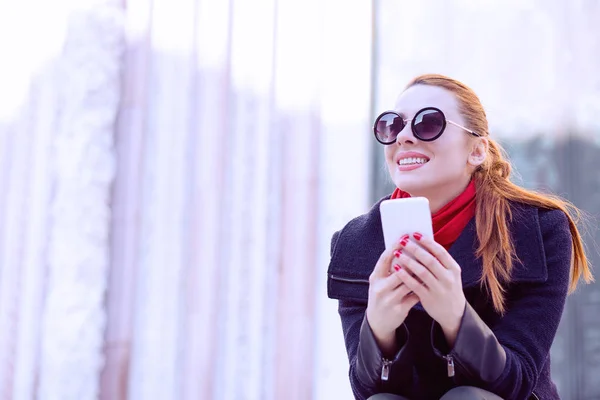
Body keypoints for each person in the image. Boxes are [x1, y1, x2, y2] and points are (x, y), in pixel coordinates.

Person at [326, 74, 594, 400]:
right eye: (392, 125)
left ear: (477, 150)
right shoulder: (356, 244)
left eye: (428, 123)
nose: (404, 137)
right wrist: (379, 331)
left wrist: (456, 316)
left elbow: (519, 382)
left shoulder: (538, 230)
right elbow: (364, 389)